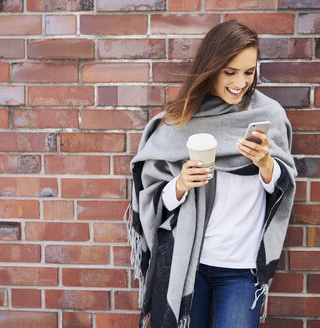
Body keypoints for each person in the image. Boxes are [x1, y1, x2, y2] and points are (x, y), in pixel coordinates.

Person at [127, 20, 297, 328]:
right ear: (211, 68)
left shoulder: (269, 116)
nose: (240, 82)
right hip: (190, 263)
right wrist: (180, 184)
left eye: (249, 71)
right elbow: (151, 192)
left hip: (241, 269)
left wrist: (265, 163)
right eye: (230, 72)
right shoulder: (182, 120)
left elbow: (283, 190)